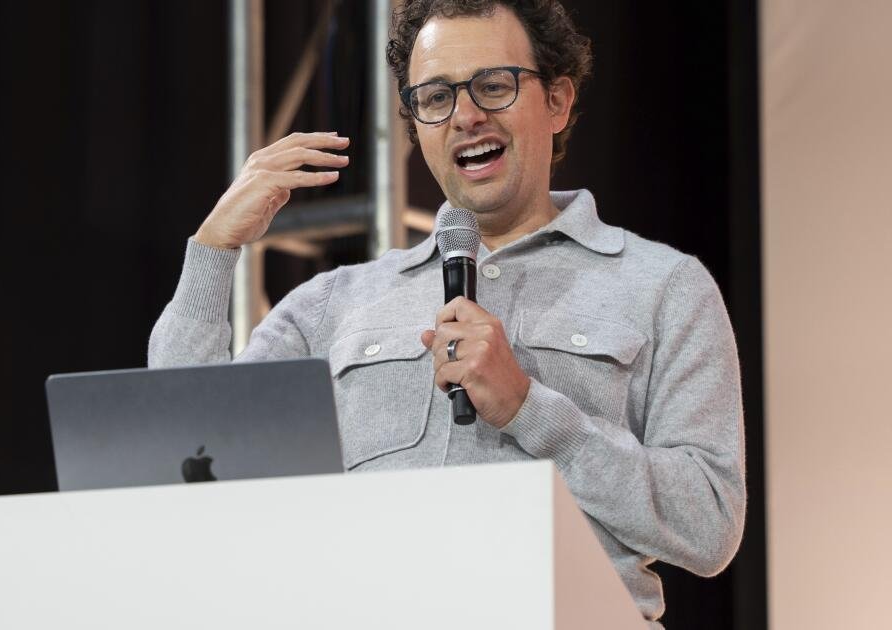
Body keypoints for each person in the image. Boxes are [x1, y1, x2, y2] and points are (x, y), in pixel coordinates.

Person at [148, 0, 744, 626]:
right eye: (435, 97)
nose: (465, 115)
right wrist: (213, 250)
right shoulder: (332, 304)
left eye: (494, 85)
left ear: (558, 101)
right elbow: (185, 454)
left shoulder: (664, 286)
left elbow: (709, 526)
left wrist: (529, 408)